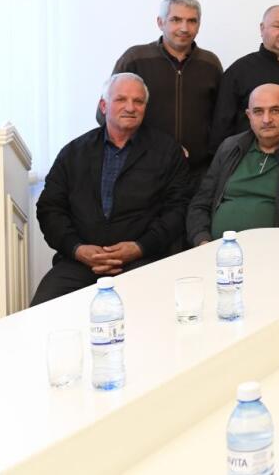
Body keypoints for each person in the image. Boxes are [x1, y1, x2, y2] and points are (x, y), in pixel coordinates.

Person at [33, 73, 190, 304]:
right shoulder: (74, 153)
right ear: (104, 106)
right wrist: (77, 249)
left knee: (153, 310)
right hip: (79, 262)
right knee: (42, 310)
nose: (130, 107)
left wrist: (140, 247)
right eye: (121, 99)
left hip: (143, 260)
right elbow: (50, 209)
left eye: (138, 101)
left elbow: (178, 209)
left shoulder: (167, 152)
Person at [187, 84, 279, 246]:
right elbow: (200, 204)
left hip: (275, 254)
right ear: (249, 115)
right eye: (258, 111)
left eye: (275, 110)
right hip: (217, 251)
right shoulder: (229, 148)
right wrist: (203, 241)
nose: (266, 119)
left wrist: (276, 251)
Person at [109, 0, 223, 176]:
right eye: (176, 20)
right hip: (142, 167)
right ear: (160, 22)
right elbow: (108, 114)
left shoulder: (210, 64)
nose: (184, 28)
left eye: (192, 21)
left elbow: (221, 118)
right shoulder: (135, 59)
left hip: (197, 171)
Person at [211, 4, 279, 148]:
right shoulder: (239, 71)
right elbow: (221, 125)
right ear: (262, 29)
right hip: (250, 159)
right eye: (278, 26)